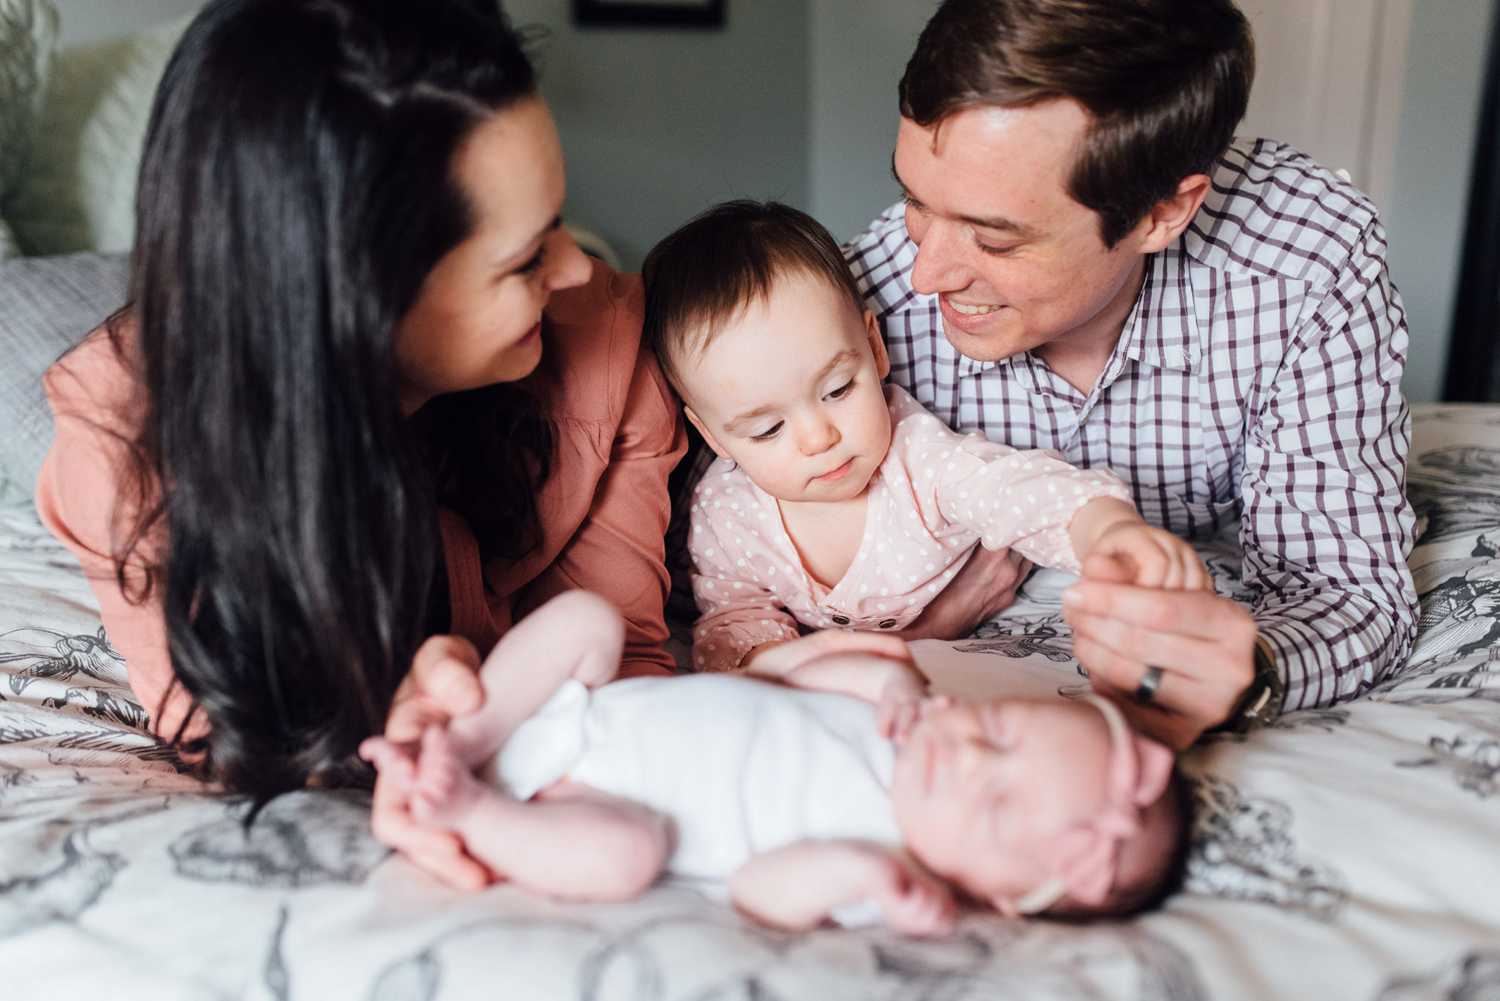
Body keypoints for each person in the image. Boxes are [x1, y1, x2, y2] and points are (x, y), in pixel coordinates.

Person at [33, 0, 691, 889]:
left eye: (559, 222)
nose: (576, 268)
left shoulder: (610, 348)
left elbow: (625, 687)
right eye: (524, 258)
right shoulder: (122, 450)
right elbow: (229, 732)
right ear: (357, 298)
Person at [844, 0, 1419, 746]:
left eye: (994, 240)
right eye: (916, 200)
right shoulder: (864, 298)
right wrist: (912, 629)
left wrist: (1250, 667)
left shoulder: (1307, 260)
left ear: (1161, 215)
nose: (926, 273)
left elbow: (1344, 590)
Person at [360, 590, 1191, 933]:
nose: (970, 756)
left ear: (996, 893)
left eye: (998, 807)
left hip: (574, 810)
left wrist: (858, 873)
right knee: (586, 616)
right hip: (566, 717)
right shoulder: (898, 716)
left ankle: (463, 804)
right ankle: (457, 740)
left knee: (628, 856)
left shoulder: (887, 862)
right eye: (1002, 728)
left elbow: (760, 891)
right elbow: (780, 676)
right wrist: (883, 677)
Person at [643, 201, 1211, 674]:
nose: (819, 437)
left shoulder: (918, 459)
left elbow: (1017, 490)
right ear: (711, 435)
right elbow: (734, 621)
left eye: (839, 389)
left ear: (874, 348)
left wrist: (1104, 530)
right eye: (768, 428)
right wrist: (785, 669)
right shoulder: (727, 511)